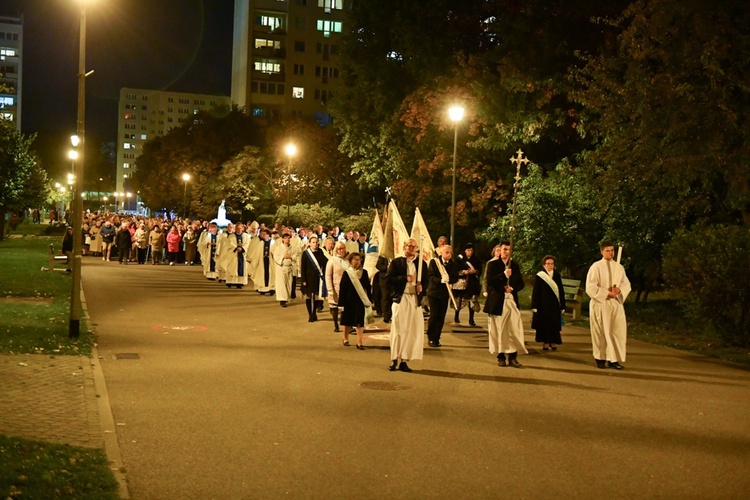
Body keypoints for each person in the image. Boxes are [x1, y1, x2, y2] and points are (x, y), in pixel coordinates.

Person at [585, 241, 631, 370]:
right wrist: (606, 293)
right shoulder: (596, 266)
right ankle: (600, 358)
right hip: (601, 303)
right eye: (607, 250)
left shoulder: (619, 267)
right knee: (601, 332)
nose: (610, 253)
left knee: (616, 331)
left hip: (615, 304)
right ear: (602, 252)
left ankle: (614, 359)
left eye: (612, 250)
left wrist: (619, 290)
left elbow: (626, 284)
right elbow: (590, 286)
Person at [386, 238, 429, 372]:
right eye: (408, 246)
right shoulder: (397, 262)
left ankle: (404, 359)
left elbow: (426, 281)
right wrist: (404, 279)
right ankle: (394, 359)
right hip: (401, 298)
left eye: (413, 246)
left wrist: (422, 288)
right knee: (398, 329)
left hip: (414, 300)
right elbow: (388, 279)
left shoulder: (421, 264)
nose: (411, 248)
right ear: (404, 247)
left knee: (411, 330)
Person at [484, 242, 527, 367]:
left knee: (513, 329)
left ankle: (513, 356)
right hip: (497, 302)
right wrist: (503, 275)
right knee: (499, 330)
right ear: (500, 250)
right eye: (504, 249)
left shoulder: (515, 266)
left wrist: (512, 288)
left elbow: (521, 283)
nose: (506, 252)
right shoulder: (492, 265)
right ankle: (501, 356)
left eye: (508, 249)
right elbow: (490, 281)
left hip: (511, 301)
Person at [426, 244, 459, 347]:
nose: (449, 254)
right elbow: (430, 276)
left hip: (445, 294)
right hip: (434, 293)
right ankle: (431, 337)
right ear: (441, 253)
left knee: (441, 317)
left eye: (450, 253)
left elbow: (455, 277)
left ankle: (437, 338)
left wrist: (450, 279)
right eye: (447, 252)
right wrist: (440, 280)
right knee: (434, 316)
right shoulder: (435, 262)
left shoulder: (453, 265)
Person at [531, 255, 567, 351]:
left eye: (552, 264)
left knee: (554, 324)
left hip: (555, 304)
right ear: (544, 265)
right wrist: (534, 305)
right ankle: (545, 342)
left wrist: (563, 305)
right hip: (543, 305)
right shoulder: (540, 276)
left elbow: (561, 291)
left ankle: (553, 342)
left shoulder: (557, 275)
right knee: (544, 324)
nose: (550, 266)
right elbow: (536, 291)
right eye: (548, 264)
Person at [338, 252, 372, 350]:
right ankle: (345, 338)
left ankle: (359, 342)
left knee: (360, 321)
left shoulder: (364, 272)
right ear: (350, 261)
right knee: (348, 321)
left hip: (360, 300)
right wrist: (341, 303)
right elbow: (342, 288)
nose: (357, 262)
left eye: (359, 260)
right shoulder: (347, 272)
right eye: (355, 260)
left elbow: (367, 287)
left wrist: (369, 299)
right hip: (349, 300)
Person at [452, 243, 482, 326]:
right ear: (465, 251)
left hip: (472, 283)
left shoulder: (476, 260)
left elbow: (479, 269)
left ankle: (471, 319)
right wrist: (463, 272)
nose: (470, 252)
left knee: (472, 300)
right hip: (461, 283)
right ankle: (456, 316)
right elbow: (455, 270)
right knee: (459, 300)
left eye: (472, 250)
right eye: (468, 250)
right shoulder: (459, 259)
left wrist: (475, 271)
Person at [300, 236, 327, 322]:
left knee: (315, 297)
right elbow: (303, 267)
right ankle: (310, 314)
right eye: (313, 242)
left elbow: (325, 263)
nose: (315, 244)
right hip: (308, 278)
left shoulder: (320, 252)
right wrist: (303, 280)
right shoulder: (305, 253)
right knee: (308, 297)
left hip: (317, 278)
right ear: (310, 243)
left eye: (316, 242)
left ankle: (314, 313)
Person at [324, 241, 348, 331]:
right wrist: (330, 289)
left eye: (343, 248)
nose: (341, 250)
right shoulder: (332, 261)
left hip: (345, 287)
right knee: (334, 306)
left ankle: (344, 324)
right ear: (336, 250)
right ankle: (335, 324)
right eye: (339, 249)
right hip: (335, 286)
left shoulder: (346, 261)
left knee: (344, 307)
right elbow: (328, 276)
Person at [272, 232, 298, 307]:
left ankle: (287, 298)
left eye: (289, 238)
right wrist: (283, 257)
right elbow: (276, 256)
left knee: (289, 284)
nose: (287, 239)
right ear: (283, 239)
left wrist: (290, 257)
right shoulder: (278, 247)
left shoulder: (292, 248)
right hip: (281, 267)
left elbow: (296, 255)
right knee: (281, 284)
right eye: (286, 238)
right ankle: (282, 300)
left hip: (289, 267)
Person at [247, 228, 275, 294]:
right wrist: (251, 259)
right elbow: (256, 253)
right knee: (261, 275)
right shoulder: (260, 243)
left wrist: (273, 254)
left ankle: (272, 288)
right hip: (261, 262)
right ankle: (263, 289)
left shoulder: (273, 243)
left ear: (268, 235)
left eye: (265, 234)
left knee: (271, 275)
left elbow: (277, 251)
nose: (264, 236)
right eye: (263, 234)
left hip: (271, 261)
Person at [224, 223, 250, 288]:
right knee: (232, 268)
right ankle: (231, 281)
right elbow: (229, 244)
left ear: (242, 229)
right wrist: (235, 248)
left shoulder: (246, 236)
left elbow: (248, 244)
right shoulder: (231, 236)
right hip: (233, 255)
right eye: (237, 228)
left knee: (241, 268)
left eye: (240, 228)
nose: (238, 230)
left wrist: (243, 248)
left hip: (242, 254)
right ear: (235, 229)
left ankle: (240, 282)